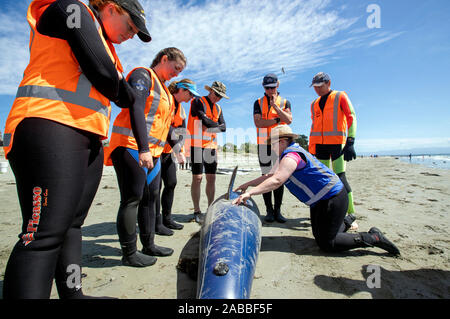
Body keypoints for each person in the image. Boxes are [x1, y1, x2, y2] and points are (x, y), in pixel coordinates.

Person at [2, 0, 151, 299]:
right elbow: (106, 76)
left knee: (72, 225)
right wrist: (121, 88)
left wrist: (121, 89)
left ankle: (73, 294)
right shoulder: (69, 8)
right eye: (131, 26)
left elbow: (120, 91)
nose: (131, 35)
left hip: (89, 137)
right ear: (111, 8)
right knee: (43, 235)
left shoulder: (107, 45)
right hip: (48, 124)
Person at [233, 125, 400, 256]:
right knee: (319, 237)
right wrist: (248, 184)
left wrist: (250, 193)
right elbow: (270, 175)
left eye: (273, 144)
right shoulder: (288, 155)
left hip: (333, 198)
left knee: (328, 244)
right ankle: (346, 222)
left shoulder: (292, 156)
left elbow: (277, 180)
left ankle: (373, 237)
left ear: (282, 141)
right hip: (320, 201)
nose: (272, 148)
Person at [104, 47, 187, 267]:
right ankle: (129, 253)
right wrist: (143, 148)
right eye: (176, 68)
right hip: (132, 146)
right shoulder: (143, 75)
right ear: (164, 58)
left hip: (155, 153)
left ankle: (148, 244)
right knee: (132, 199)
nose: (176, 74)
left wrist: (176, 148)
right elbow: (136, 108)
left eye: (180, 71)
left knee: (151, 198)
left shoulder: (168, 93)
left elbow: (166, 126)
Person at [308, 72, 359, 230]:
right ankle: (326, 210)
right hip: (320, 147)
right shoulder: (314, 103)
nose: (317, 90)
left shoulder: (340, 96)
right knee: (322, 180)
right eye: (315, 87)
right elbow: (314, 126)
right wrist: (311, 148)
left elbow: (352, 116)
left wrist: (350, 141)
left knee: (341, 178)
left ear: (328, 83)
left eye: (320, 86)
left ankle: (350, 213)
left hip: (338, 145)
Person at [156, 79, 201, 233]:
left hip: (168, 152)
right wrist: (177, 149)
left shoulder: (181, 109)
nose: (192, 98)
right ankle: (156, 222)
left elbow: (181, 131)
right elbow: (166, 127)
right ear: (181, 90)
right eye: (190, 94)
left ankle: (167, 218)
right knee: (155, 187)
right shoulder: (166, 99)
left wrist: (180, 149)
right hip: (155, 149)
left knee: (171, 183)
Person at [186, 81, 228, 223]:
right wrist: (212, 125)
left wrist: (209, 124)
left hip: (211, 147)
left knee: (212, 178)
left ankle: (211, 208)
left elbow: (224, 128)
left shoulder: (219, 108)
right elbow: (205, 122)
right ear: (210, 91)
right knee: (197, 178)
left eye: (220, 96)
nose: (217, 98)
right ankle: (197, 211)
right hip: (196, 145)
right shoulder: (198, 101)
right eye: (216, 94)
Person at [253, 73, 292, 223]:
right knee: (266, 176)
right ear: (263, 87)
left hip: (280, 144)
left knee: (279, 177)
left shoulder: (285, 102)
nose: (270, 90)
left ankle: (278, 211)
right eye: (267, 88)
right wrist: (277, 119)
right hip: (264, 144)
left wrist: (275, 106)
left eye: (273, 87)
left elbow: (288, 120)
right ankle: (268, 210)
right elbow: (259, 123)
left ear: (278, 85)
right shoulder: (257, 102)